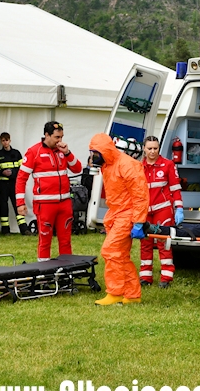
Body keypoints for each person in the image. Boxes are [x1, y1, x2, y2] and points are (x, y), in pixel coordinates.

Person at [88, 133, 149, 306]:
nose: (93, 157)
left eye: (95, 153)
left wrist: (138, 221)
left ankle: (115, 292)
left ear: (104, 151)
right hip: (116, 212)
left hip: (127, 214)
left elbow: (140, 195)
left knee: (110, 251)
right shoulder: (107, 164)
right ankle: (132, 295)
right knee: (121, 256)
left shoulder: (128, 165)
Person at [16, 121, 82, 261]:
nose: (60, 141)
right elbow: (21, 178)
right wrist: (20, 202)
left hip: (64, 203)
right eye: (57, 137)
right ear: (47, 135)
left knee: (65, 240)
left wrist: (68, 153)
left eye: (62, 137)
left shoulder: (63, 151)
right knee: (45, 241)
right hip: (45, 204)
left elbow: (78, 169)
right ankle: (44, 276)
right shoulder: (34, 151)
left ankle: (66, 272)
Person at [139, 136, 184, 288]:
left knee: (164, 243)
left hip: (162, 209)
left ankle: (166, 277)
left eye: (155, 148)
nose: (152, 151)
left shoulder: (168, 164)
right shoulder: (138, 167)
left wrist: (179, 208)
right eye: (149, 148)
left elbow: (175, 188)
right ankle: (145, 277)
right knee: (145, 242)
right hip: (144, 210)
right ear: (144, 149)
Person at [0, 132, 29, 235]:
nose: (5, 142)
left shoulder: (16, 153)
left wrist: (12, 173)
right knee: (3, 206)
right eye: (3, 140)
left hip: (14, 183)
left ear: (10, 140)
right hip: (2, 184)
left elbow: (21, 169)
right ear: (1, 142)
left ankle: (24, 229)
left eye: (7, 140)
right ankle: (5, 230)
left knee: (17, 205)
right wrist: (2, 172)